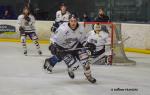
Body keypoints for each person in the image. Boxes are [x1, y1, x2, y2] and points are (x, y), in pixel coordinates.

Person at [44, 14, 96, 83]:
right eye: (71, 21)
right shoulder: (63, 29)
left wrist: (88, 45)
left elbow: (83, 40)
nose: (73, 23)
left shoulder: (81, 28)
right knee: (74, 65)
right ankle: (52, 62)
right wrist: (53, 46)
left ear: (77, 21)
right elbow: (54, 38)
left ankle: (88, 75)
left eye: (75, 21)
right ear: (69, 21)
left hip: (76, 47)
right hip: (63, 49)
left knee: (85, 61)